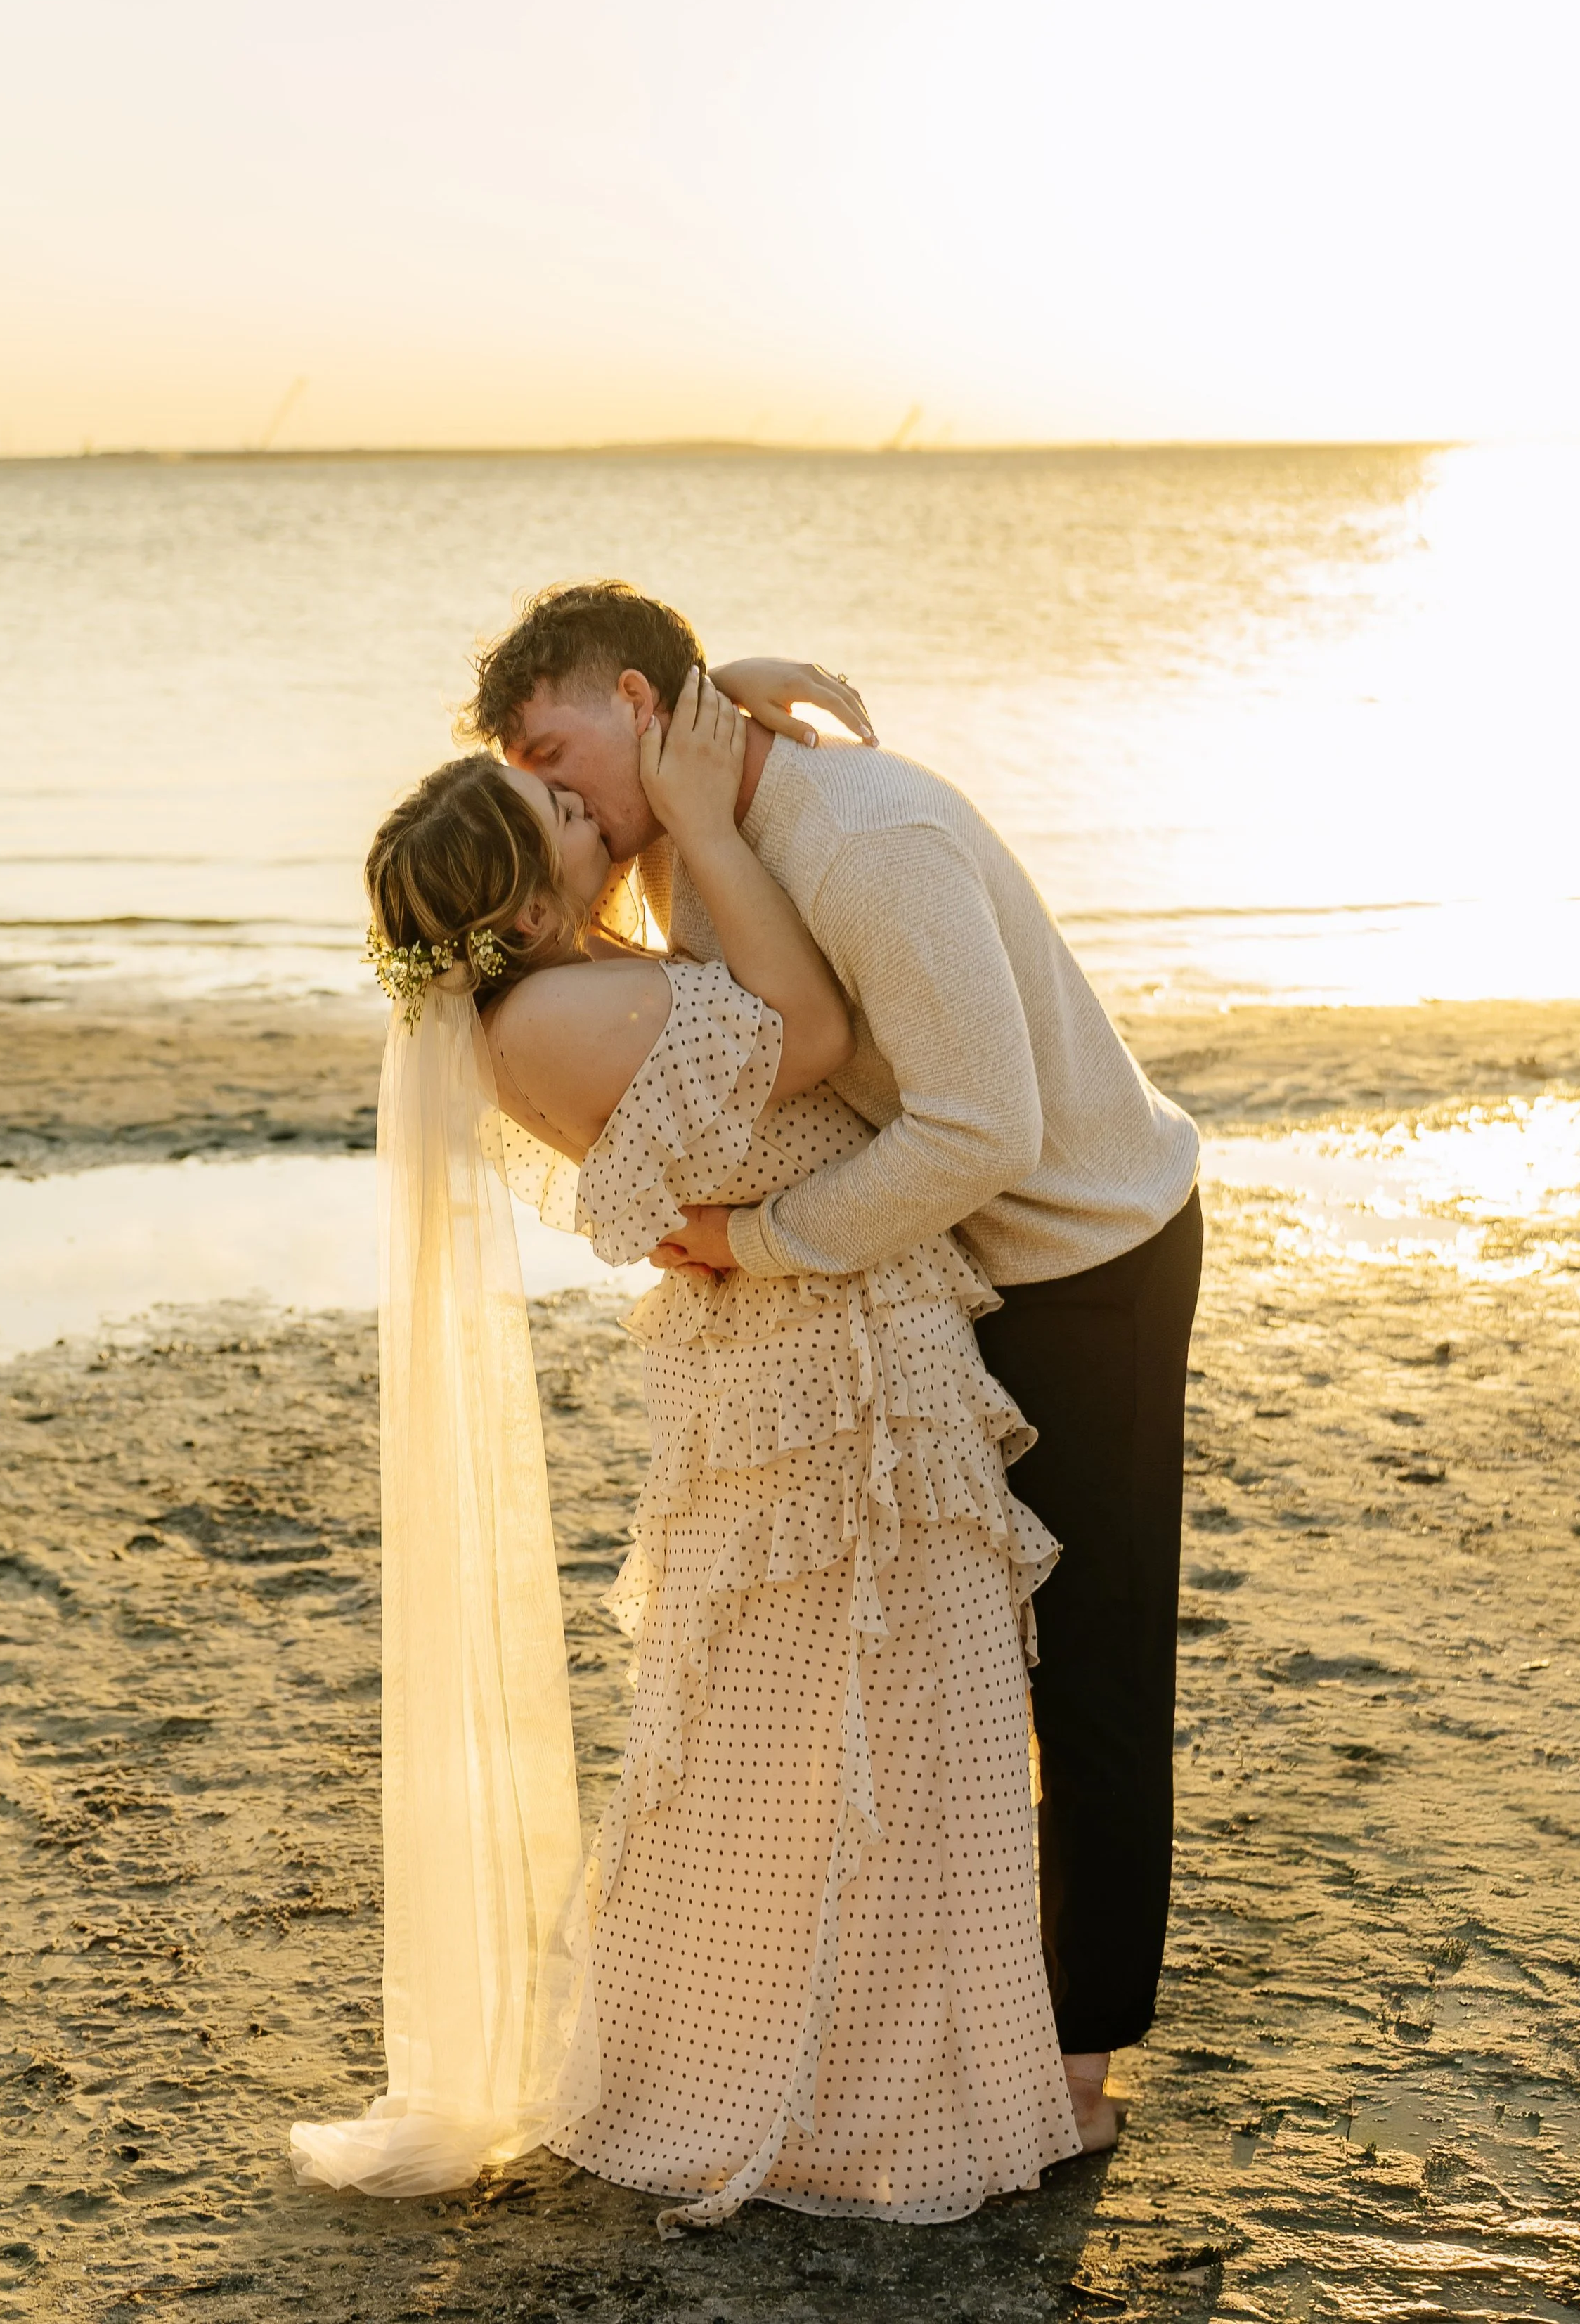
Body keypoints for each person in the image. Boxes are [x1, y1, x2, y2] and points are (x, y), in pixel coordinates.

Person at [294, 666, 1077, 2224]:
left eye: (566, 785)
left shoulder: (559, 985)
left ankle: (855, 2067)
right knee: (869, 1729)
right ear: (515, 906)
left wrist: (711, 697)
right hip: (823, 1374)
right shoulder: (565, 1006)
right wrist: (713, 824)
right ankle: (840, 2103)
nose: (597, 817)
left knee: (818, 1736)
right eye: (563, 817)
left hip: (806, 1353)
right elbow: (809, 1025)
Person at [470, 583, 1205, 2154]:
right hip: (942, 1259)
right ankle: (959, 2007)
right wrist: (709, 694)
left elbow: (977, 1130)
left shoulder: (867, 840)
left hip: (1084, 1249)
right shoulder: (674, 835)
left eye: (551, 750)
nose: (550, 795)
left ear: (633, 705)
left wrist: (760, 1243)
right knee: (959, 1647)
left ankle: (1081, 2055)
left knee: (1089, 1657)